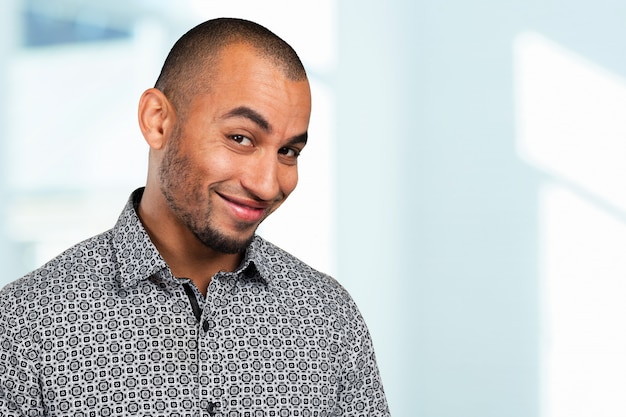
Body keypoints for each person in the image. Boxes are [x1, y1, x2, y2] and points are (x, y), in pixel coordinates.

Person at [0, 18, 390, 417]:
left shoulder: (328, 317)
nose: (268, 185)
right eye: (241, 138)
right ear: (157, 120)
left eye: (288, 151)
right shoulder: (25, 324)